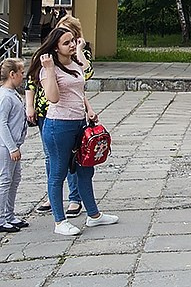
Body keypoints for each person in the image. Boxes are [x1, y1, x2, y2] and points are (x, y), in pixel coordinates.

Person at [29, 27, 117, 235]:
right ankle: (60, 222)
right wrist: (50, 69)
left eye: (72, 41)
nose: (71, 45)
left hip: (79, 123)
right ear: (55, 47)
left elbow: (80, 88)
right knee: (58, 172)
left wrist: (89, 109)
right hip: (58, 125)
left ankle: (94, 215)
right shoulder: (47, 68)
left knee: (86, 169)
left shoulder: (75, 62)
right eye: (67, 43)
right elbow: (53, 97)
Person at [0, 58, 28, 233]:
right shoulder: (4, 97)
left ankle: (9, 215)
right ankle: (1, 218)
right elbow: (2, 123)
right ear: (12, 74)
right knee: (4, 180)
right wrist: (12, 147)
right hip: (6, 147)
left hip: (14, 145)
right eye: (21, 72)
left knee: (14, 180)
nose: (23, 76)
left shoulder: (12, 94)